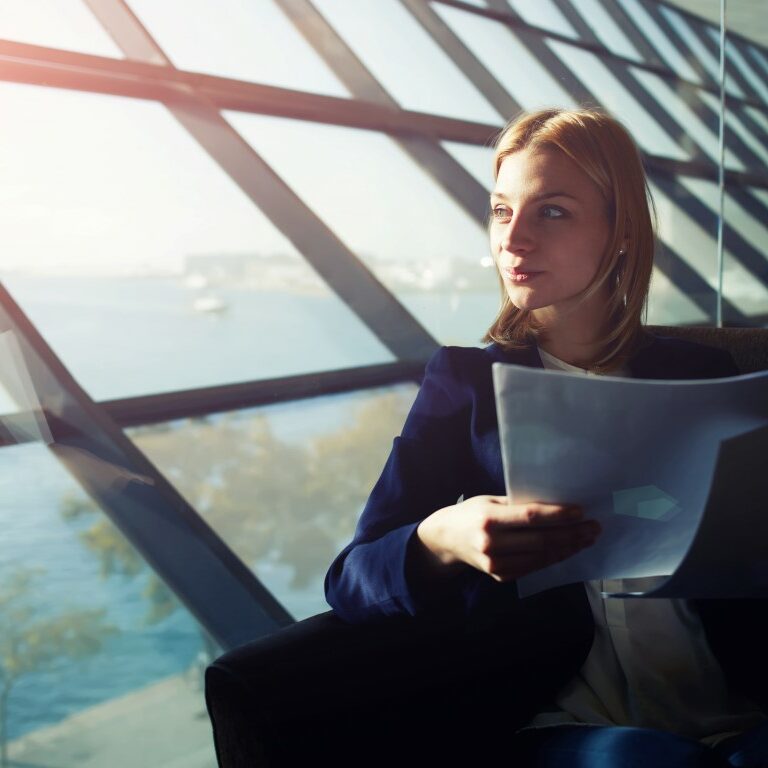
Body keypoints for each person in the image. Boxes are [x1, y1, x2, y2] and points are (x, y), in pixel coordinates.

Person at [324, 107, 768, 766]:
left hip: (737, 697)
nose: (514, 238)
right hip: (567, 717)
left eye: (551, 212)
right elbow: (350, 578)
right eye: (503, 211)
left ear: (621, 232)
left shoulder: (701, 376)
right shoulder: (465, 385)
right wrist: (443, 535)